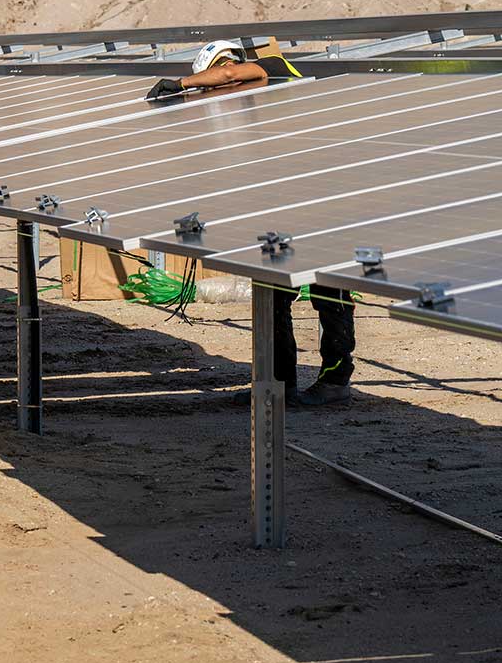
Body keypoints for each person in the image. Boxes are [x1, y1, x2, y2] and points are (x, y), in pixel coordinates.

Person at [145, 41, 355, 406]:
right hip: (291, 199)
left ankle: (336, 381)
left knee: (329, 288)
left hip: (325, 196)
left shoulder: (270, 66)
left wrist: (180, 85)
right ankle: (278, 383)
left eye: (210, 84)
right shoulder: (252, 110)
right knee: (273, 292)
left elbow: (232, 74)